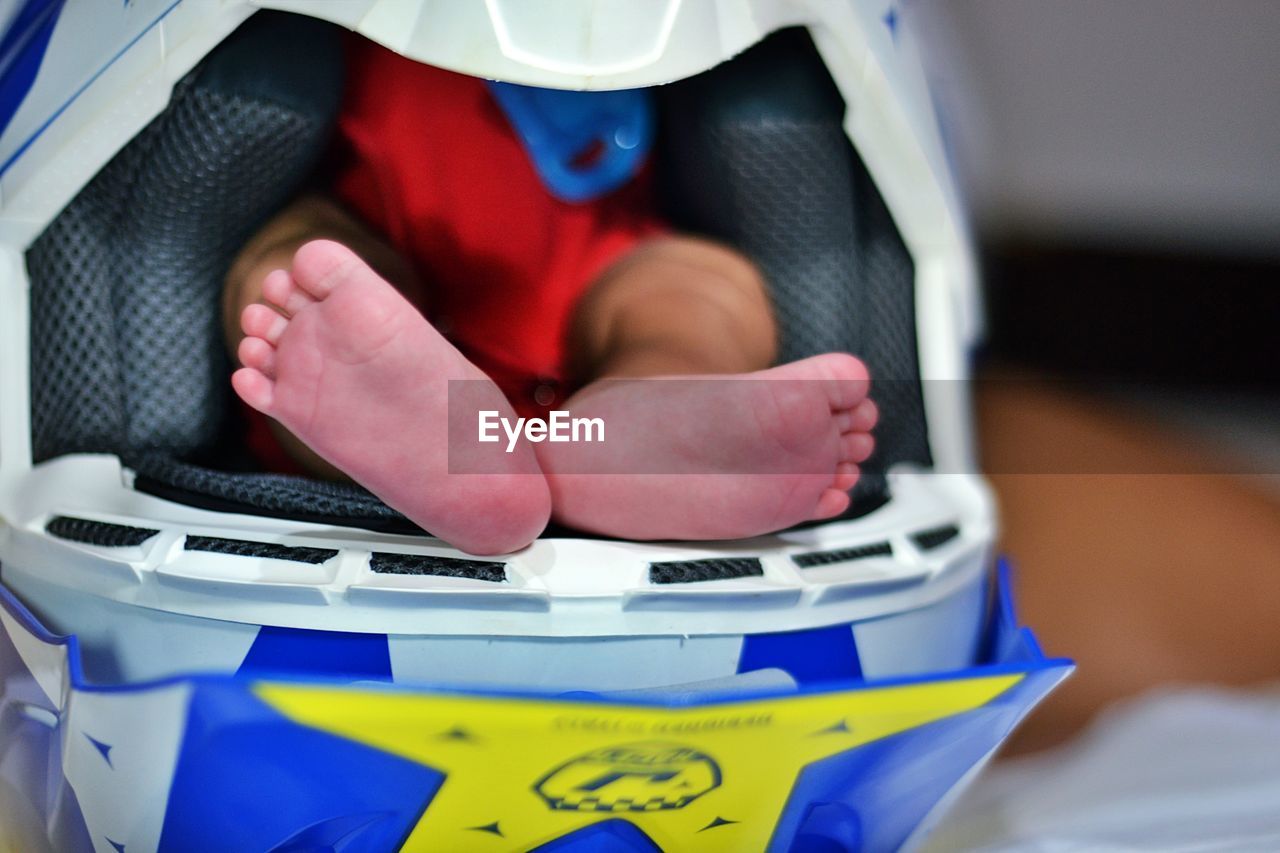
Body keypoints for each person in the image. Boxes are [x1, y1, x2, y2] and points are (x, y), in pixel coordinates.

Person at [224, 38, 876, 555]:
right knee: (310, 271)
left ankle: (645, 418)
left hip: (595, 260)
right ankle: (418, 426)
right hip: (382, 275)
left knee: (691, 291)